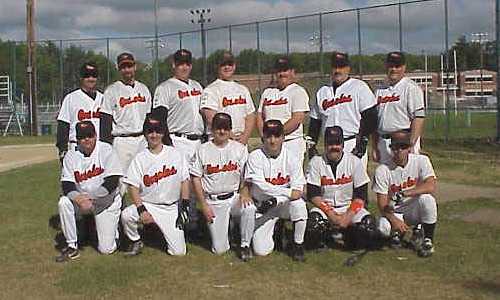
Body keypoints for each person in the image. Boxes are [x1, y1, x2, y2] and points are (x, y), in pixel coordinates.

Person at [152, 49, 205, 236]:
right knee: (179, 184)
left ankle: (193, 222)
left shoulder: (198, 86)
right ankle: (177, 224)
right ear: (173, 65)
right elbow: (158, 118)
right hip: (177, 139)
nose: (184, 66)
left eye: (187, 63)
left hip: (197, 140)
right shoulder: (165, 88)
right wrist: (168, 145)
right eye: (180, 63)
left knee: (196, 183)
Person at [121, 114, 190, 256]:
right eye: (150, 131)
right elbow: (132, 186)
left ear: (163, 133)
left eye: (157, 131)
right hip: (149, 205)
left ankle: (156, 231)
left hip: (170, 208)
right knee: (127, 215)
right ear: (145, 134)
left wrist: (185, 205)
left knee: (179, 253)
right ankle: (136, 240)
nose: (154, 135)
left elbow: (185, 180)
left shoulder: (176, 154)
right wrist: (141, 210)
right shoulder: (140, 157)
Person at [240, 120, 308, 261]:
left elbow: (298, 189)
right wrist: (287, 193)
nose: (272, 140)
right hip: (263, 207)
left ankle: (298, 245)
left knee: (299, 205)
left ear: (283, 137)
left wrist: (277, 199)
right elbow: (261, 185)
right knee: (261, 250)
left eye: (277, 136)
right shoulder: (255, 156)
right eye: (269, 136)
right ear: (263, 137)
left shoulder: (292, 157)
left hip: (283, 205)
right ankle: (277, 229)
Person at [56, 121, 123, 262]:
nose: (86, 139)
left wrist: (89, 197)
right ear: (77, 139)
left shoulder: (106, 150)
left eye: (89, 135)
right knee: (64, 202)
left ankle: (116, 230)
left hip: (107, 202)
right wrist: (79, 199)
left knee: (106, 249)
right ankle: (72, 246)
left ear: (95, 135)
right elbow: (67, 185)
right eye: (82, 136)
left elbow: (112, 183)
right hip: (83, 202)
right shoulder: (71, 155)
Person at [190, 113, 254, 258]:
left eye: (225, 128)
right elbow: (196, 178)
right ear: (212, 129)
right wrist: (204, 205)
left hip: (233, 198)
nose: (222, 131)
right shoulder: (203, 149)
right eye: (218, 128)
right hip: (213, 201)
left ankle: (245, 245)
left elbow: (248, 175)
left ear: (230, 129)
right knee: (220, 249)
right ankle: (222, 228)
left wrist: (244, 193)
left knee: (249, 208)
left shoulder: (239, 148)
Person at [306, 126, 377, 249]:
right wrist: (331, 215)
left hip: (348, 207)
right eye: (330, 143)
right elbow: (313, 195)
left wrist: (348, 216)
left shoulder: (354, 162)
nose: (334, 147)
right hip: (325, 208)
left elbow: (361, 196)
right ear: (325, 144)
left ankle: (349, 235)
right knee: (314, 224)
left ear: (343, 144)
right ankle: (327, 238)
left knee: (368, 225)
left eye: (337, 143)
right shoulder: (316, 162)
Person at [373, 131, 437, 257]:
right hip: (395, 211)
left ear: (409, 148)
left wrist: (405, 193)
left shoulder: (421, 160)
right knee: (382, 228)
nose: (399, 151)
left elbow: (431, 185)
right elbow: (382, 205)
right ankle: (397, 232)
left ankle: (428, 239)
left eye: (403, 147)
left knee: (428, 200)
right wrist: (394, 220)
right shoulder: (382, 170)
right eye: (395, 147)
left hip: (414, 207)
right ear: (391, 149)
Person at [308, 52, 377, 167]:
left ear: (348, 68)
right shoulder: (322, 91)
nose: (337, 70)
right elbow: (315, 123)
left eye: (341, 66)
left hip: (351, 143)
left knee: (355, 182)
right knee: (330, 182)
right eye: (335, 66)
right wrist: (312, 146)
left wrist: (363, 142)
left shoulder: (359, 87)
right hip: (329, 145)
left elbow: (371, 118)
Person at [99, 52, 152, 188]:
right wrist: (106, 147)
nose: (127, 70)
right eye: (123, 67)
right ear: (119, 69)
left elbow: (149, 118)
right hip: (122, 141)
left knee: (145, 178)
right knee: (120, 182)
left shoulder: (144, 89)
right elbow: (105, 121)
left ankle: (142, 209)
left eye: (129, 66)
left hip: (142, 139)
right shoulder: (111, 90)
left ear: (135, 67)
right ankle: (120, 209)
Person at [373, 51, 425, 165]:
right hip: (384, 142)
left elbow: (418, 118)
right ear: (386, 66)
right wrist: (375, 146)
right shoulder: (379, 90)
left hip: (404, 142)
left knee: (407, 180)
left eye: (397, 66)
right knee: (386, 178)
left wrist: (411, 144)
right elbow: (376, 122)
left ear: (404, 67)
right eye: (391, 66)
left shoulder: (411, 88)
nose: (394, 69)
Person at [256, 57, 309, 162]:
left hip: (291, 142)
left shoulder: (298, 91)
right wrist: (265, 136)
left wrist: (276, 134)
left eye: (285, 70)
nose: (282, 73)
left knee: (291, 177)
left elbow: (297, 119)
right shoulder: (267, 92)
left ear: (292, 72)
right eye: (279, 70)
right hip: (269, 143)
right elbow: (259, 116)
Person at [201, 51, 256, 145]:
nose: (227, 67)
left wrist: (245, 137)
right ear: (217, 67)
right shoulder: (211, 90)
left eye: (230, 64)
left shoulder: (243, 89)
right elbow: (211, 117)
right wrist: (230, 135)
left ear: (234, 66)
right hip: (219, 141)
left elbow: (250, 116)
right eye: (223, 65)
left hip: (241, 140)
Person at [56, 62, 103, 164]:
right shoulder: (71, 98)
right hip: (77, 148)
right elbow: (63, 125)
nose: (91, 78)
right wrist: (62, 149)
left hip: (99, 148)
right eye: (87, 75)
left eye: (94, 75)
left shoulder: (103, 98)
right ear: (81, 78)